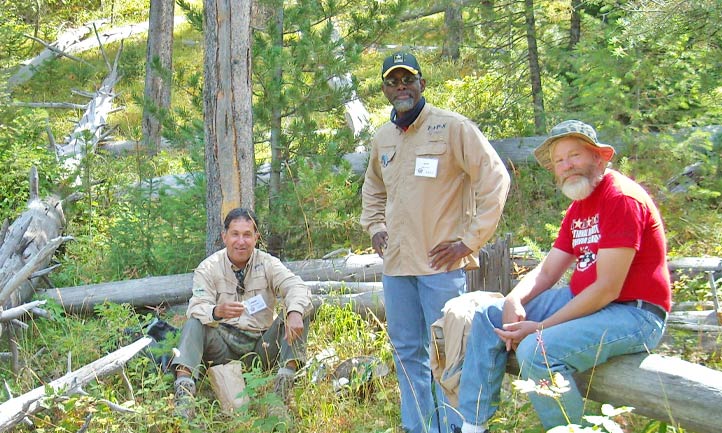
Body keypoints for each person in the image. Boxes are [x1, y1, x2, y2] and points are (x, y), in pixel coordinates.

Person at [455, 120, 671, 433]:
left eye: (575, 156)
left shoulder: (621, 199)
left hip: (634, 314)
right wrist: (515, 298)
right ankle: (473, 425)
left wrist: (539, 327)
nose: (567, 166)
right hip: (589, 303)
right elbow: (548, 269)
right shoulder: (579, 208)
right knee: (490, 315)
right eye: (559, 160)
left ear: (598, 158)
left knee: (537, 351)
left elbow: (607, 289)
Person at [360, 51, 510, 433]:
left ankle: (454, 427)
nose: (401, 88)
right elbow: (373, 188)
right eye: (393, 82)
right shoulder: (383, 138)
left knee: (447, 351)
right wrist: (375, 226)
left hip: (441, 267)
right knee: (408, 353)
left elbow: (495, 179)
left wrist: (469, 241)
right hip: (397, 267)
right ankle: (419, 427)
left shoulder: (452, 128)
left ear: (422, 84)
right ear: (384, 89)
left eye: (407, 80)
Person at [171, 207, 313, 419]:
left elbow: (297, 287)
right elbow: (196, 306)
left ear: (256, 237)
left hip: (261, 346)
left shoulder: (268, 263)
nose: (241, 241)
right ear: (224, 236)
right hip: (222, 346)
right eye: (235, 234)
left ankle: (282, 393)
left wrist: (293, 312)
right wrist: (216, 311)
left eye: (247, 234)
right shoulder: (208, 268)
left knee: (300, 310)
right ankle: (184, 397)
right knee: (194, 322)